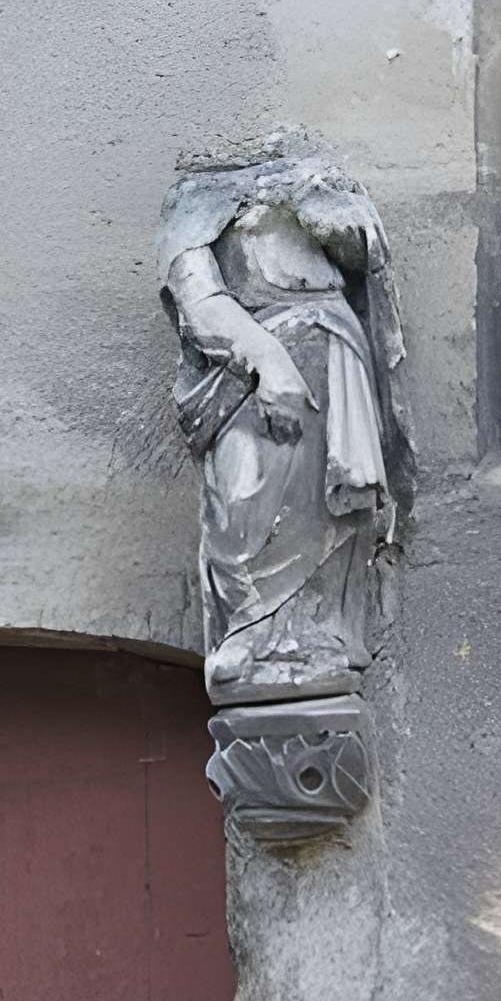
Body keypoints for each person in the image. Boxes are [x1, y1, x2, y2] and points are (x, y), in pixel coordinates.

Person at [158, 147, 414, 706]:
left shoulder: (320, 185)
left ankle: (321, 634)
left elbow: (362, 258)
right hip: (244, 379)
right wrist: (267, 360)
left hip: (330, 356)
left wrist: (324, 214)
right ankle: (250, 630)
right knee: (242, 503)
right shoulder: (193, 199)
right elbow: (200, 299)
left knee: (327, 507)